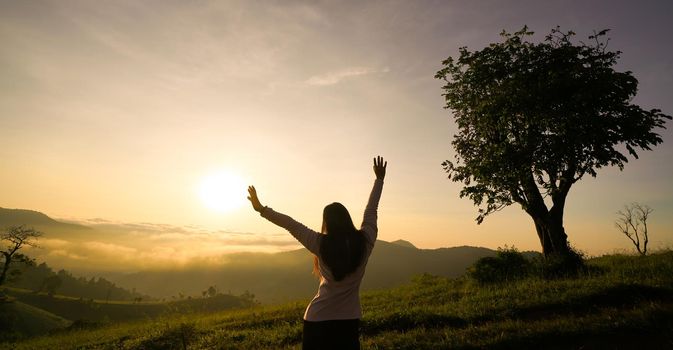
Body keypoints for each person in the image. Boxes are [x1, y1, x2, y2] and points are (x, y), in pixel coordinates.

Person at [247, 156, 387, 350]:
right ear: (347, 219)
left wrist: (261, 209)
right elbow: (371, 210)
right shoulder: (365, 241)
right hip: (348, 322)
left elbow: (291, 224)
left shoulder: (320, 244)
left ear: (327, 223)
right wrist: (379, 180)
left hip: (317, 321)